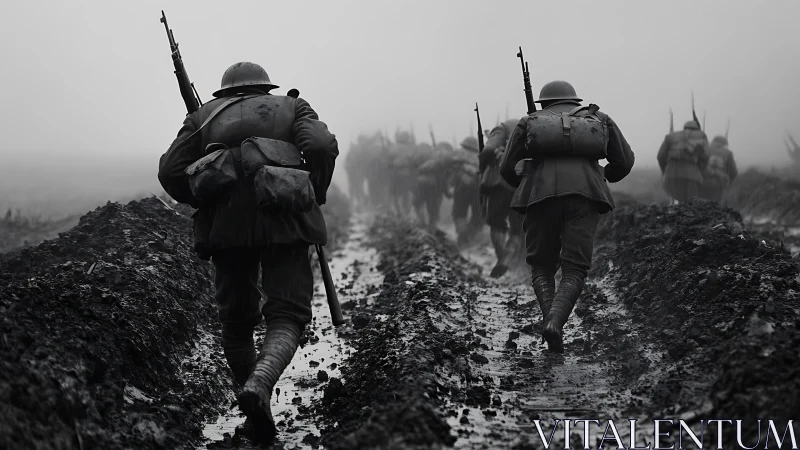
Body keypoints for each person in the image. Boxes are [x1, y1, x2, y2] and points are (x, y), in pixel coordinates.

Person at [157, 61, 338, 444]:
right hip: (286, 219)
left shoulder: (202, 117)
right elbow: (320, 147)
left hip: (225, 227)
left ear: (225, 91)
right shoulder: (292, 107)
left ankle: (260, 412)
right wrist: (312, 191)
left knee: (236, 324)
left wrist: (206, 195)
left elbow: (170, 171)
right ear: (265, 86)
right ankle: (261, 382)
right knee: (287, 315)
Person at [499, 80, 634, 352]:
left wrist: (527, 184)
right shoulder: (599, 118)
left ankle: (549, 319)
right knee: (575, 267)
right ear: (575, 101)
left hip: (539, 196)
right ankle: (555, 325)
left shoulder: (529, 121)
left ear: (543, 104)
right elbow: (625, 161)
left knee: (541, 265)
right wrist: (603, 176)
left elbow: (506, 168)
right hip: (585, 196)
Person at [480, 119, 525, 277]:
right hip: (523, 186)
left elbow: (488, 150)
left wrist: (483, 166)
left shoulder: (502, 128)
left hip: (499, 183)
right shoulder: (534, 128)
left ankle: (501, 260)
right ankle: (507, 260)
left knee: (496, 223)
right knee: (517, 229)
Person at [657, 120, 709, 204]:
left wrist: (664, 171)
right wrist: (700, 171)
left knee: (672, 204)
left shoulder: (670, 136)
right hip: (692, 177)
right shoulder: (701, 136)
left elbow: (660, 156)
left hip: (671, 176)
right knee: (689, 207)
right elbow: (706, 157)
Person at [450, 136, 483, 244]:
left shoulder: (457, 154)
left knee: (459, 213)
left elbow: (451, 171)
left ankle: (463, 237)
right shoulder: (481, 156)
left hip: (461, 187)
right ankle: (471, 236)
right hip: (478, 188)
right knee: (478, 214)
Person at [699, 135, 738, 202]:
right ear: (724, 144)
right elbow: (734, 172)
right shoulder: (728, 153)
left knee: (699, 204)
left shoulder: (704, 150)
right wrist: (729, 181)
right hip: (718, 183)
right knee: (714, 205)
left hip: (702, 182)